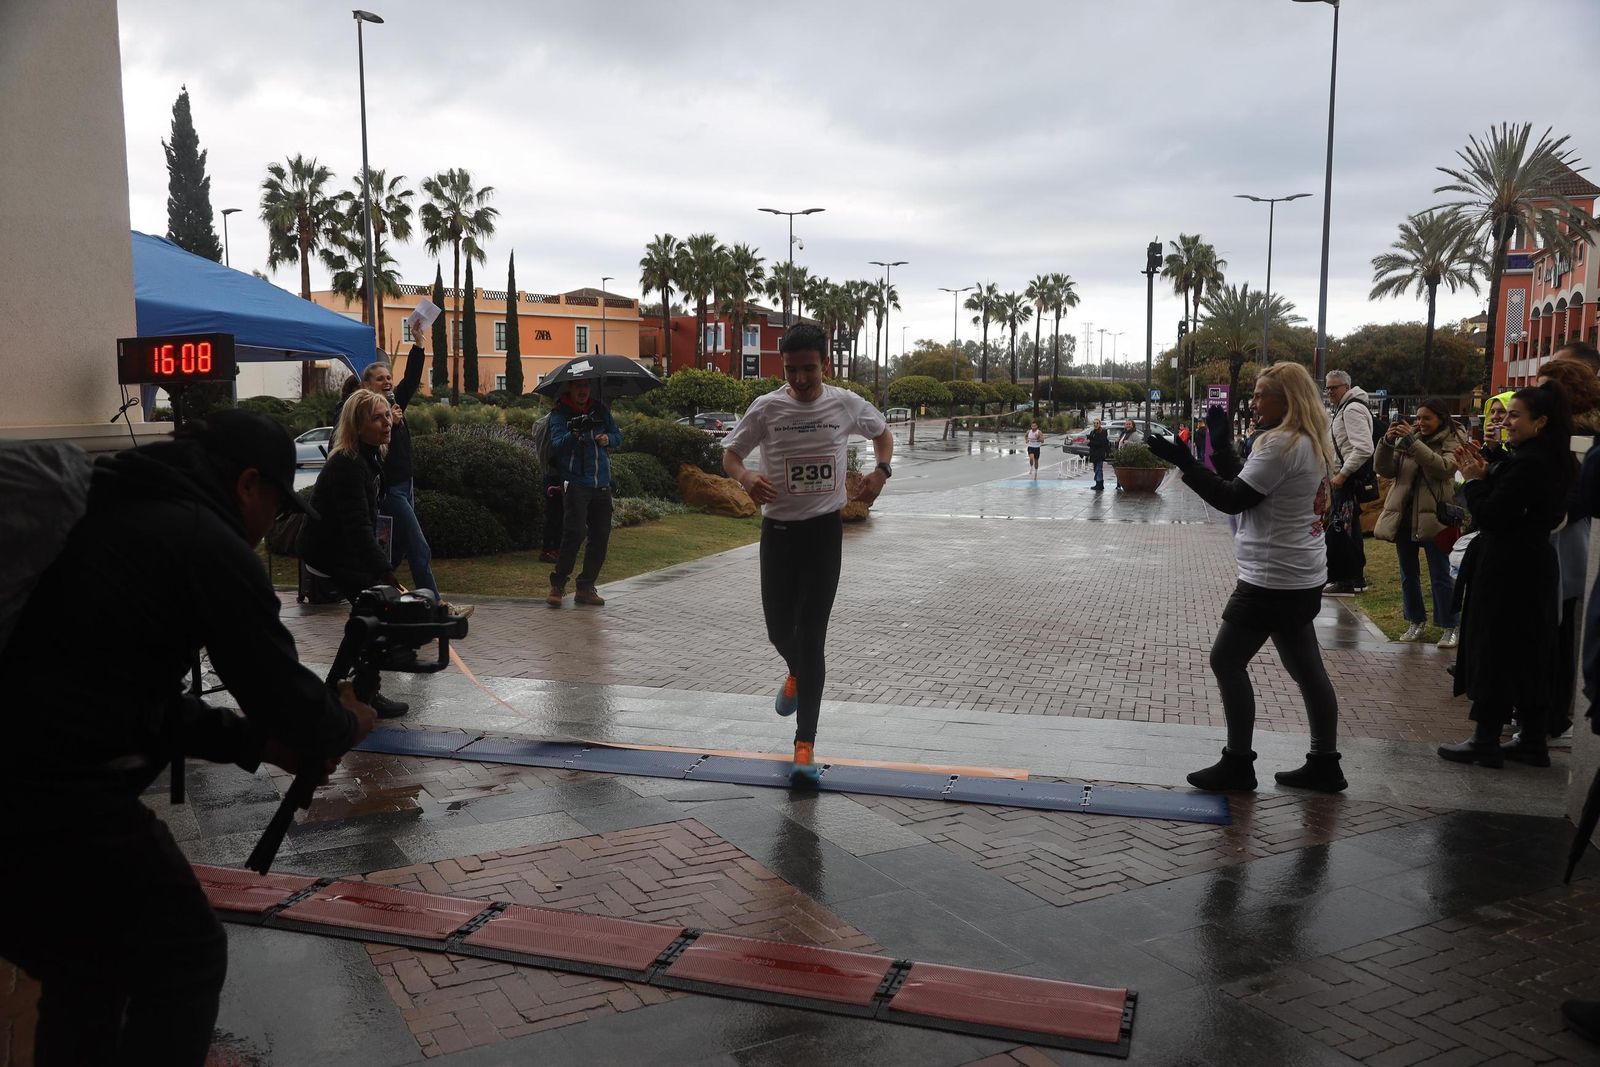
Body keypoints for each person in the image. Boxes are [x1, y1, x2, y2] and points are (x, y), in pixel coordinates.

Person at [0, 410, 375, 1066]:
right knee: (184, 953)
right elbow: (289, 699)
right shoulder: (203, 539)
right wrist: (346, 720)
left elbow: (130, 704)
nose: (269, 525)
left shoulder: (123, 511)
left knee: (89, 964)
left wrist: (260, 744)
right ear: (247, 483)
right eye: (275, 504)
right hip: (47, 792)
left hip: (25, 776)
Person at [1146, 362, 1345, 793]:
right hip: (1302, 573)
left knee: (1226, 660)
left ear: (1286, 400)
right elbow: (1251, 484)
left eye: (1260, 395)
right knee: (1306, 668)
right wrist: (1218, 447)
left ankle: (1238, 763)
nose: (1253, 403)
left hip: (1273, 578)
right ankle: (1325, 762)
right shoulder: (1308, 440)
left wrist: (1185, 461)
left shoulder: (1280, 444)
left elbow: (1233, 498)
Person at [722, 323, 894, 784]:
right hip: (777, 534)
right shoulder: (766, 408)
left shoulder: (844, 403)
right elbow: (731, 455)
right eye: (793, 369)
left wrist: (881, 472)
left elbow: (883, 434)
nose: (801, 379)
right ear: (784, 365)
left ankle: (805, 745)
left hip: (823, 534)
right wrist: (746, 479)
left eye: (810, 369)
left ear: (827, 364)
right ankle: (794, 670)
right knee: (780, 629)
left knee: (813, 634)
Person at [1438, 382, 1574, 767]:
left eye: (1515, 415)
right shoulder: (1549, 457)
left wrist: (1477, 481)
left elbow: (1494, 514)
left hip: (1509, 567)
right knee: (1530, 650)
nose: (1506, 421)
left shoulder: (1531, 461)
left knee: (1496, 647)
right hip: (1532, 563)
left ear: (1541, 421)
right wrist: (1490, 469)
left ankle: (1485, 739)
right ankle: (1532, 739)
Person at [303, 390, 411, 718]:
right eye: (377, 418)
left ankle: (350, 689)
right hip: (329, 551)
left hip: (343, 547)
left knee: (369, 614)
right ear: (357, 425)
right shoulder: (347, 464)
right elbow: (358, 528)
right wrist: (385, 572)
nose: (387, 422)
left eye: (387, 415)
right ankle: (352, 691)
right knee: (373, 609)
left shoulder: (368, 457)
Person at [356, 346, 467, 615]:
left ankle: (372, 598)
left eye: (388, 377)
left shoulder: (393, 406)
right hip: (391, 492)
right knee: (419, 548)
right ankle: (437, 607)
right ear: (367, 385)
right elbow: (368, 450)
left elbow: (411, 379)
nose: (386, 382)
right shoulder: (365, 414)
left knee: (394, 552)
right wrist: (390, 423)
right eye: (379, 378)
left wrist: (418, 343)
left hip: (406, 487)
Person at [1531, 358, 1600, 750]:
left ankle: (1556, 716)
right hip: (1553, 545)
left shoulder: (1583, 437)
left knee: (1561, 637)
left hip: (1567, 547)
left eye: (1545, 388)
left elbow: (1573, 501)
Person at [1373, 399, 1465, 648]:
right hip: (1404, 515)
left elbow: (1445, 468)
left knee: (1440, 574)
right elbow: (1386, 469)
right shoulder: (1409, 438)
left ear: (1441, 419)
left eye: (1426, 418)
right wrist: (1386, 442)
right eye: (1417, 418)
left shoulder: (1453, 437)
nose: (1420, 423)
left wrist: (1413, 445)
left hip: (1435, 517)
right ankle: (1415, 621)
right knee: (1408, 574)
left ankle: (1449, 625)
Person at [547, 378, 623, 608]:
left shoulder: (599, 410)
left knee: (600, 535)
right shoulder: (560, 414)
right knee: (575, 532)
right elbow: (557, 445)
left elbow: (617, 435)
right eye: (578, 386)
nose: (582, 391)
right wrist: (575, 434)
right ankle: (558, 585)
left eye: (586, 386)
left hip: (601, 482)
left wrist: (608, 438)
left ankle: (585, 587)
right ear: (570, 388)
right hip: (576, 482)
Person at [1323, 370, 1375, 596]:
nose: (1330, 392)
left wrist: (1343, 474)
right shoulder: (1346, 408)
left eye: (1334, 387)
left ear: (1346, 386)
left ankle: (1350, 578)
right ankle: (1352, 577)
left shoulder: (1352, 408)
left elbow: (1363, 447)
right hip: (1345, 478)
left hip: (1348, 479)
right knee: (1347, 527)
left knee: (1345, 529)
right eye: (1327, 388)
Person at [1086, 419, 1110, 491]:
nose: (1095, 424)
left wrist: (1090, 442)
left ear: (1100, 424)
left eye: (1097, 423)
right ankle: (1098, 483)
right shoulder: (1092, 431)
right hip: (1094, 454)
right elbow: (1092, 441)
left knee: (1098, 469)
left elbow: (1100, 443)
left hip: (1099, 454)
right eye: (1094, 423)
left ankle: (1100, 484)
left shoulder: (1102, 432)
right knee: (1096, 469)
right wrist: (1089, 440)